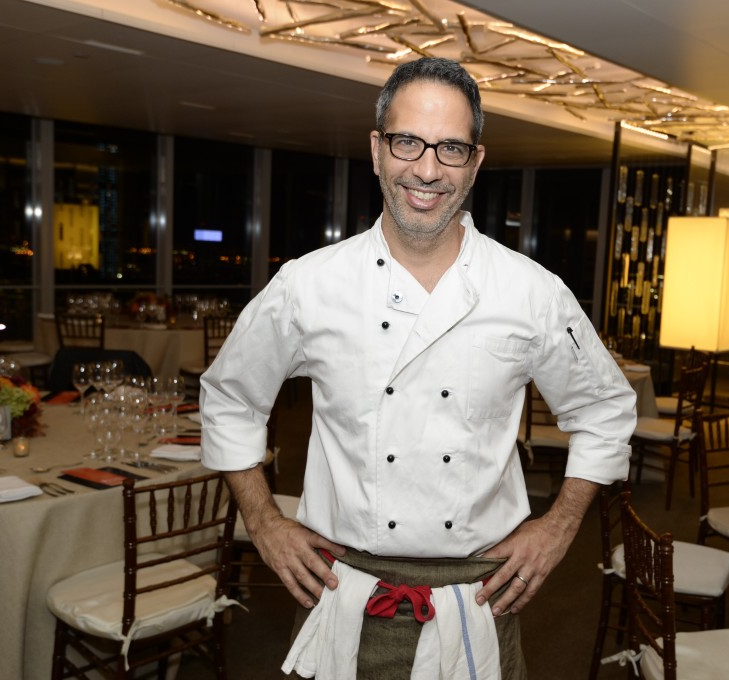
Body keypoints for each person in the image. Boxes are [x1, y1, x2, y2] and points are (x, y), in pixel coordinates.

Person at [200, 56, 636, 678]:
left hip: (478, 597)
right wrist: (263, 520)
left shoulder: (530, 292)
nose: (427, 170)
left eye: (451, 148)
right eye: (408, 142)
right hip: (341, 590)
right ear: (377, 150)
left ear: (476, 162)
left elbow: (605, 408)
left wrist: (560, 526)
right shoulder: (309, 284)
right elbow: (230, 397)